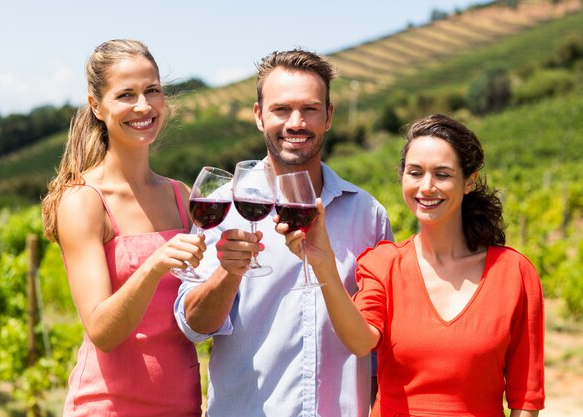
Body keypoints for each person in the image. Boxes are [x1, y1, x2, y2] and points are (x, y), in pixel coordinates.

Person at [279, 114, 545, 416]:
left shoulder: (514, 273)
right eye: (415, 173)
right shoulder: (383, 264)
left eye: (442, 174)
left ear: (469, 181)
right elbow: (360, 341)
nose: (427, 187)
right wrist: (323, 263)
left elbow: (526, 398)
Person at [174, 49, 393, 416]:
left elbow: (380, 344)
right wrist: (228, 272)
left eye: (309, 109)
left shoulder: (367, 215)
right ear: (259, 116)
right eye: (281, 110)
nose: (296, 122)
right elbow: (194, 326)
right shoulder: (224, 209)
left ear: (328, 116)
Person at [41, 39, 204, 417]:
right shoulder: (84, 200)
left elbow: (195, 310)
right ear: (96, 106)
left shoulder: (180, 196)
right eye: (126, 95)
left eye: (152, 91)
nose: (143, 106)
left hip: (182, 403)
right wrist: (153, 265)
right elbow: (103, 332)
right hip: (108, 407)